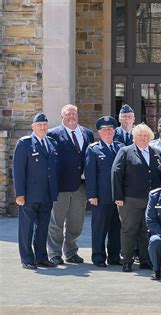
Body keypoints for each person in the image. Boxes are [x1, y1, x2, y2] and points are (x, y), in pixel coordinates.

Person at [112, 123, 161, 272]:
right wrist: (118, 196)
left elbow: (160, 176)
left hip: (151, 200)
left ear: (150, 138)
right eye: (139, 135)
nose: (142, 138)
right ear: (134, 137)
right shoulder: (126, 151)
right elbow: (116, 173)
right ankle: (127, 260)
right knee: (129, 230)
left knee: (146, 230)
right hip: (130, 199)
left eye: (145, 136)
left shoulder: (156, 152)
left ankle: (145, 260)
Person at [47, 104, 94, 265]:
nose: (72, 116)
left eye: (74, 113)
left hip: (80, 186)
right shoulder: (52, 134)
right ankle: (54, 253)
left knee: (76, 222)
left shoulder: (87, 133)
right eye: (68, 114)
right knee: (57, 222)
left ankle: (71, 252)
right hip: (61, 186)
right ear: (62, 116)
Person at [13, 113, 59, 269]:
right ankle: (26, 258)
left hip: (47, 194)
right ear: (33, 127)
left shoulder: (51, 143)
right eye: (39, 125)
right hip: (30, 194)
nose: (43, 127)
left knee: (43, 228)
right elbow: (18, 171)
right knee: (27, 228)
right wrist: (20, 194)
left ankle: (41, 257)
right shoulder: (24, 143)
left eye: (45, 124)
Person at [84, 116, 123, 267]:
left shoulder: (120, 147)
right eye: (104, 129)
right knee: (99, 229)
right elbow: (90, 174)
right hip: (100, 197)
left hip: (118, 197)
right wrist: (92, 195)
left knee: (116, 229)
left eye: (111, 129)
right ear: (99, 132)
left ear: (114, 131)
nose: (108, 132)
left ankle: (114, 257)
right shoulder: (93, 149)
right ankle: (98, 257)